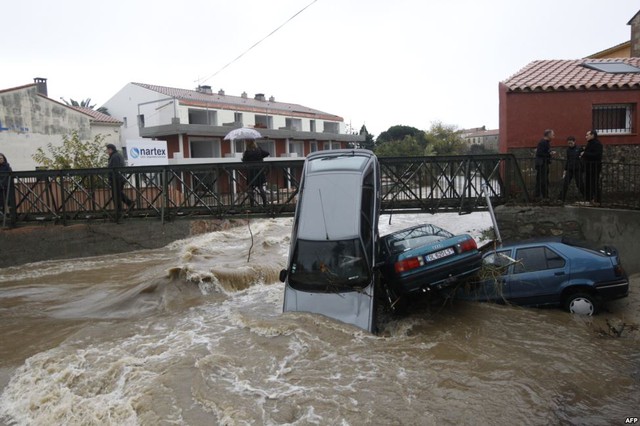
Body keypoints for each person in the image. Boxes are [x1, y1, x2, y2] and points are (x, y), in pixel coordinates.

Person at [241, 139, 270, 207]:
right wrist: (261, 157)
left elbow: (244, 160)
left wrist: (243, 157)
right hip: (259, 171)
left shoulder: (247, 152)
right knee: (261, 188)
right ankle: (265, 204)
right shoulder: (259, 150)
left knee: (251, 188)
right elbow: (267, 153)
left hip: (251, 172)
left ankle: (252, 205)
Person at [106, 144, 134, 211]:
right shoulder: (117, 155)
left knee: (116, 195)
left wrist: (111, 178)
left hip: (117, 179)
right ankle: (128, 204)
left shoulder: (114, 157)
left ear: (110, 149)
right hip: (119, 178)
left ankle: (119, 210)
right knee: (118, 194)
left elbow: (115, 169)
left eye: (107, 150)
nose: (107, 151)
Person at [558, 136, 584, 202]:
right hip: (570, 168)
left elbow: (583, 157)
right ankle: (561, 198)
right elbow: (568, 160)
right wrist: (565, 170)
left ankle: (586, 197)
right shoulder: (568, 150)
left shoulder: (579, 148)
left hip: (577, 168)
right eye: (568, 143)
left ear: (574, 142)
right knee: (565, 183)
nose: (570, 145)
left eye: (571, 143)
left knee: (580, 184)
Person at [581, 129, 603, 205]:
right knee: (588, 183)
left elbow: (597, 155)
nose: (586, 137)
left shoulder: (597, 144)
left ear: (593, 135)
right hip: (588, 167)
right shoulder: (590, 143)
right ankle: (589, 199)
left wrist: (585, 154)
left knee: (594, 183)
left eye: (587, 135)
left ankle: (597, 200)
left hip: (594, 167)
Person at [534, 129, 556, 199]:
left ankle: (540, 196)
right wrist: (549, 154)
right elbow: (540, 153)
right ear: (548, 135)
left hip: (542, 163)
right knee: (542, 180)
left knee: (542, 180)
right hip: (542, 164)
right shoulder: (543, 142)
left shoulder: (545, 142)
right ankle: (543, 196)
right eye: (553, 134)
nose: (553, 136)